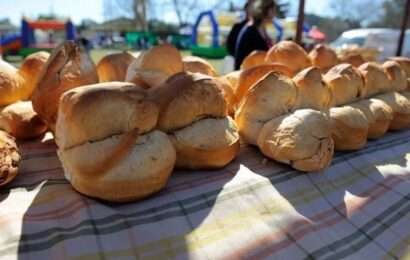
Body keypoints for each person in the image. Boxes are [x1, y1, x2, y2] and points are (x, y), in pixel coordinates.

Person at [234, 0, 276, 69]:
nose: (274, 14)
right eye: (273, 11)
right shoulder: (250, 31)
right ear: (266, 11)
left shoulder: (262, 29)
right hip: (246, 74)